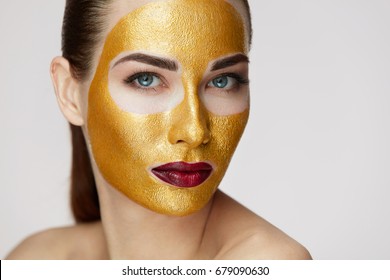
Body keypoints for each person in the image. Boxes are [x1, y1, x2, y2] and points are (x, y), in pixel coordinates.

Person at [7, 0, 311, 260]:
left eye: (222, 80)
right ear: (69, 92)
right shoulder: (37, 258)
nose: (194, 131)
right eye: (146, 79)